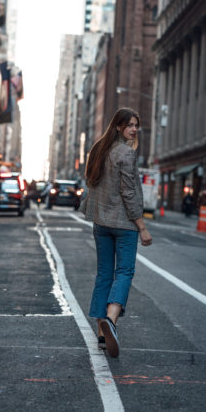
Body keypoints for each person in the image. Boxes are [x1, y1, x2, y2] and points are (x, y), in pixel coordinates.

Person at [80, 107, 152, 358]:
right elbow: (129, 193)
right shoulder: (126, 153)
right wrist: (142, 226)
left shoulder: (98, 150)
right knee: (124, 272)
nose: (134, 130)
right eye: (130, 125)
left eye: (136, 126)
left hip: (101, 223)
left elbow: (91, 184)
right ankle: (111, 319)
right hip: (124, 224)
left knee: (103, 275)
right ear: (119, 126)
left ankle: (102, 333)